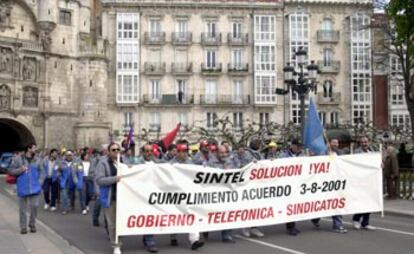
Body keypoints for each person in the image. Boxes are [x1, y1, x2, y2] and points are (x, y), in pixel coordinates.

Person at [169, 143, 204, 250]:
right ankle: (173, 236)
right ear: (178, 152)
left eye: (186, 151)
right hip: (176, 194)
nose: (185, 154)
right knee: (175, 216)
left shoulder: (190, 162)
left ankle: (194, 240)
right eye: (183, 151)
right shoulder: (171, 164)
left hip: (188, 194)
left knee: (192, 215)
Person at [9, 144, 43, 234]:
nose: (36, 149)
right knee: (22, 209)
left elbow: (42, 172)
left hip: (35, 187)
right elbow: (11, 171)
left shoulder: (38, 159)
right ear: (29, 149)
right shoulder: (17, 159)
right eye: (34, 148)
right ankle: (23, 227)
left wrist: (40, 182)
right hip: (22, 187)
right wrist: (21, 169)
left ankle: (32, 224)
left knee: (34, 206)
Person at [96, 143, 123, 254]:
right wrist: (114, 179)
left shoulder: (123, 162)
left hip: (123, 198)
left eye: (118, 149)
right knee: (112, 224)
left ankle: (119, 241)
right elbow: (100, 180)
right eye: (113, 150)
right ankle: (116, 245)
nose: (116, 151)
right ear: (108, 151)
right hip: (110, 197)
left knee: (120, 223)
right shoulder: (103, 163)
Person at [207, 145, 237, 243]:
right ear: (216, 152)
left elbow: (238, 172)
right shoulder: (211, 163)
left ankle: (227, 235)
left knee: (228, 213)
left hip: (227, 193)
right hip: (215, 193)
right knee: (211, 213)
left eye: (225, 152)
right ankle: (205, 229)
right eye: (222, 152)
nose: (224, 155)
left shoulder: (230, 162)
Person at [136, 144, 159, 253]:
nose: (149, 153)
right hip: (141, 194)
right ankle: (149, 240)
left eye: (151, 151)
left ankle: (148, 238)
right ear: (143, 152)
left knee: (151, 217)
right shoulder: (137, 163)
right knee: (145, 216)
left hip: (154, 194)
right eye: (147, 151)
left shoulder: (157, 162)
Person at [279, 139, 302, 236]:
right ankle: (290, 227)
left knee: (294, 206)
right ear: (292, 146)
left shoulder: (301, 155)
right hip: (287, 184)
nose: (298, 148)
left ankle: (293, 225)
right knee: (289, 205)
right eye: (297, 146)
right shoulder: (284, 155)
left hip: (296, 184)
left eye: (299, 147)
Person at [352, 136, 376, 231]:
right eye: (362, 142)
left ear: (369, 142)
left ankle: (365, 223)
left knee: (370, 203)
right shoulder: (357, 152)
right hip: (361, 182)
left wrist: (379, 164)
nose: (364, 144)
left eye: (366, 142)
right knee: (363, 203)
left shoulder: (372, 151)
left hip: (370, 182)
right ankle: (356, 219)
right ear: (360, 143)